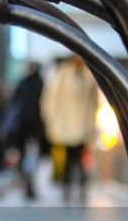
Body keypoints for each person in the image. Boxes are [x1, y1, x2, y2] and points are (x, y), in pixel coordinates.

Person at [40, 56, 99, 202]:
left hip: (82, 126)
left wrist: (92, 125)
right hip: (63, 125)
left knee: (79, 159)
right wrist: (51, 121)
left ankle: (80, 187)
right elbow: (50, 99)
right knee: (65, 159)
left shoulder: (89, 76)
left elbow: (93, 103)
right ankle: (66, 187)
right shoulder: (62, 74)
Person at [0, 63, 45, 199]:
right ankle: (29, 184)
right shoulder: (42, 85)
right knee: (33, 156)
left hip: (21, 129)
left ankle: (24, 182)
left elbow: (13, 104)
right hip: (35, 128)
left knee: (23, 156)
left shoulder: (22, 84)